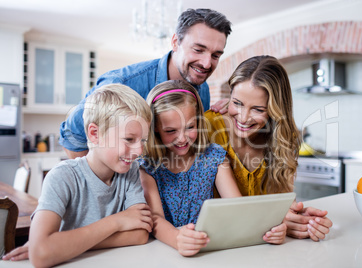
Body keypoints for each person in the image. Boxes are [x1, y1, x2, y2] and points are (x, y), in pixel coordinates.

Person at [2, 84, 153, 266]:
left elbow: (140, 234)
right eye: (129, 139)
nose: (139, 150)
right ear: (95, 134)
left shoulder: (131, 172)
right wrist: (117, 222)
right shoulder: (62, 177)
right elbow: (41, 253)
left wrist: (65, 245)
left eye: (142, 140)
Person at [138, 80, 287, 256]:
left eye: (190, 127)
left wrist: (270, 230)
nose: (182, 138)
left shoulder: (214, 157)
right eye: (170, 131)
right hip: (164, 251)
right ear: (155, 129)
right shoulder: (148, 166)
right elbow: (155, 218)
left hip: (208, 249)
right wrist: (177, 239)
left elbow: (237, 207)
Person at [60, 8, 232, 159]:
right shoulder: (121, 83)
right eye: (198, 50)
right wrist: (104, 188)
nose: (207, 63)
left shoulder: (202, 90)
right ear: (175, 42)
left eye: (216, 55)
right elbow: (72, 138)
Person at [206, 55, 333, 241]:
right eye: (237, 103)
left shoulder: (283, 138)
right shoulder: (208, 128)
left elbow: (283, 204)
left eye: (257, 109)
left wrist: (299, 220)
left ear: (275, 110)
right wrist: (274, 221)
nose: (243, 117)